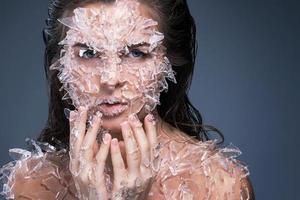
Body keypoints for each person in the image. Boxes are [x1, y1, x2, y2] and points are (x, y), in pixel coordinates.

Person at [0, 0, 255, 199]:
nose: (110, 79)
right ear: (60, 63)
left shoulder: (219, 185)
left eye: (135, 53)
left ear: (169, 62)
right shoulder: (33, 184)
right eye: (88, 53)